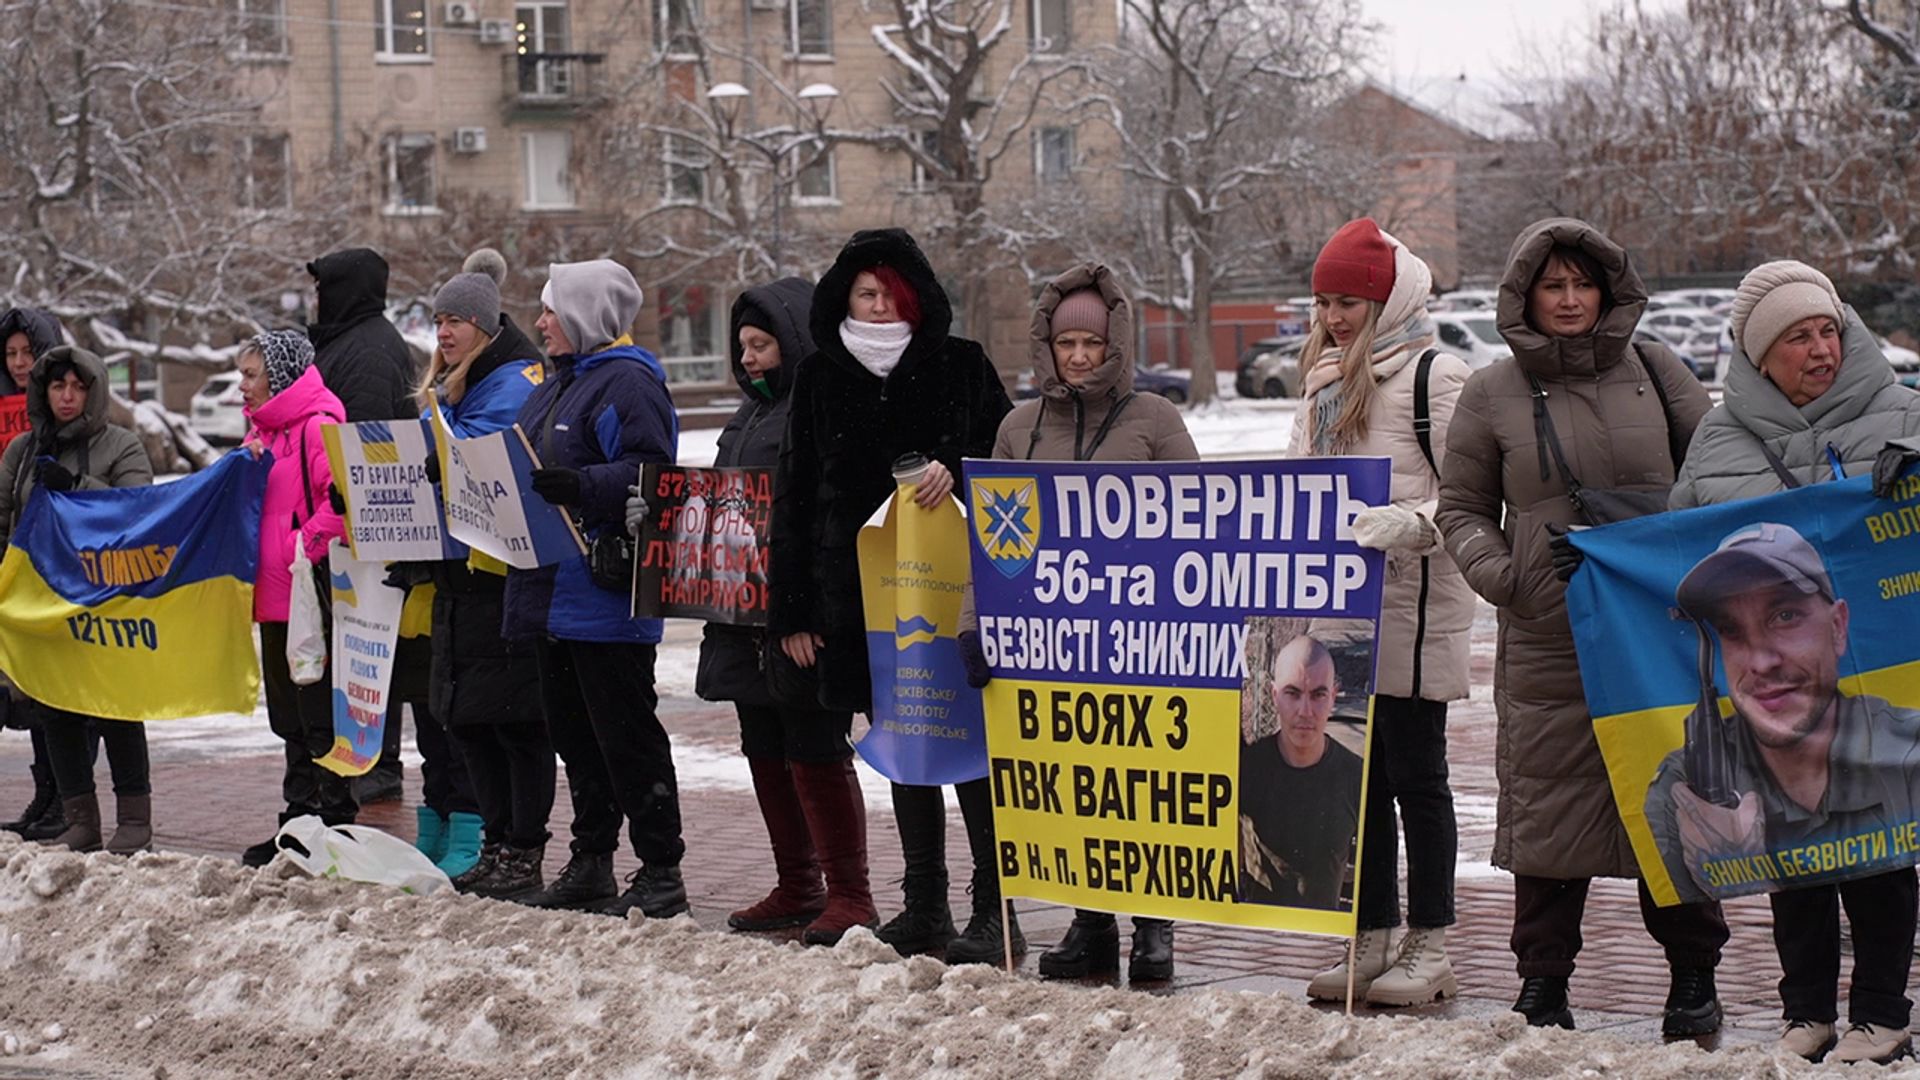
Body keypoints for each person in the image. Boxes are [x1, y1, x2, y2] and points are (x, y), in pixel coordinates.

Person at [1434, 218, 1728, 1035]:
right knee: (1548, 802)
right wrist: (1509, 578)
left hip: (1657, 626)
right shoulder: (1491, 390)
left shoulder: (1656, 368)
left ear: (1609, 289)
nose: (1569, 300)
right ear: (1525, 296)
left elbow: (1714, 479)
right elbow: (1460, 509)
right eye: (1552, 286)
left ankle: (1693, 976)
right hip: (1547, 631)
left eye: (1583, 284)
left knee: (1676, 795)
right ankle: (1543, 981)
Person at [1656, 260, 1920, 1064]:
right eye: (1799, 337)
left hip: (1880, 681)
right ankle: (1805, 1011)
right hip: (1776, 706)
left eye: (1829, 331)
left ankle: (1884, 1010)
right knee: (1794, 863)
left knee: (1884, 855)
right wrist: (1596, 564)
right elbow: (1674, 544)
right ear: (1759, 354)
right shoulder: (1718, 438)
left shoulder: (1904, 414)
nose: (1820, 349)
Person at [768, 228, 1011, 956]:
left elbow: (1010, 470)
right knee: (905, 750)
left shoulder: (961, 365)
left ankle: (994, 911)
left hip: (957, 598)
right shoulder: (818, 378)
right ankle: (924, 905)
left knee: (969, 756)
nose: (878, 307)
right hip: (864, 608)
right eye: (865, 294)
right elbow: (796, 497)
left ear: (916, 296)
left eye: (891, 293)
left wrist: (956, 470)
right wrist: (795, 610)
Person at [954, 263, 1196, 978]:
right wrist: (974, 624)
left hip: (1140, 639)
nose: (1080, 356)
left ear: (1115, 342)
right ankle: (1090, 924)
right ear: (1048, 348)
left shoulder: (1155, 420)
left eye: (1093, 342)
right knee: (1075, 788)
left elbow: (1201, 528)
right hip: (1045, 642)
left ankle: (1155, 927)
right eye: (1068, 344)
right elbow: (992, 547)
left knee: (1142, 789)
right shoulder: (1018, 428)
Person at [627, 277, 877, 945]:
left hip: (797, 619)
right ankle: (797, 882)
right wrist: (663, 516)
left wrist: (810, 614)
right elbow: (720, 504)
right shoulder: (750, 415)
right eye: (743, 347)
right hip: (741, 616)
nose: (750, 359)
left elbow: (829, 518)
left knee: (814, 747)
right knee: (764, 745)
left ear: (792, 342)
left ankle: (850, 893)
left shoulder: (821, 409)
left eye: (762, 345)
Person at [1284, 219, 1474, 1006]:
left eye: (1350, 301)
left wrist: (1414, 523)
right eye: (1325, 301)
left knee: (1419, 779)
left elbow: (1469, 493)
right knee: (1358, 785)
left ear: (1387, 298)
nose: (1334, 316)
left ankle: (1431, 944)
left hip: (1413, 605)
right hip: (1341, 616)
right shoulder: (1324, 380)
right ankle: (1369, 936)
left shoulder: (1438, 376)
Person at [505, 259, 686, 919]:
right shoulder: (555, 385)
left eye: (552, 309)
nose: (541, 322)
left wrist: (584, 487)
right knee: (575, 738)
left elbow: (651, 472)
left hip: (605, 595)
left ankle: (661, 868)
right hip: (551, 592)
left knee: (626, 738)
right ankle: (591, 859)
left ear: (585, 314)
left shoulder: (628, 384)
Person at [396, 249, 537, 889]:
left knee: (498, 717)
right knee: (460, 714)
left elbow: (476, 463)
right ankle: (485, 838)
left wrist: (437, 438)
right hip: (453, 572)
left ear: (485, 327)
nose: (444, 332)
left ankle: (508, 842)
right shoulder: (453, 385)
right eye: (438, 320)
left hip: (490, 573)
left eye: (456, 320)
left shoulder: (505, 385)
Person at [0, 345, 155, 852]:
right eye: (58, 386)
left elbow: (138, 515)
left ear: (93, 392)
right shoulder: (22, 452)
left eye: (78, 387)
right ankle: (79, 817)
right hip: (42, 604)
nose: (67, 396)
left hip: (105, 601)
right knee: (56, 709)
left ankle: (134, 817)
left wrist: (78, 487)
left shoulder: (122, 445)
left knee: (118, 707)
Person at [307, 246, 419, 805]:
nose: (315, 300)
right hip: (348, 521)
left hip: (365, 527)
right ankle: (365, 754)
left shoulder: (370, 350)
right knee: (359, 646)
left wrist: (350, 504)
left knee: (373, 646)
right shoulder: (350, 342)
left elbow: (373, 439)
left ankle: (378, 760)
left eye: (322, 289)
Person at [236, 331, 352, 866]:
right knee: (288, 717)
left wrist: (299, 546)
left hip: (310, 599)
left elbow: (345, 502)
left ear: (279, 377)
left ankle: (334, 822)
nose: (243, 386)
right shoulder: (262, 433)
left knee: (318, 716)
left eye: (251, 374)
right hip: (273, 600)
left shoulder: (318, 426)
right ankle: (298, 819)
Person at [0, 306, 76, 843]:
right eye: (11, 355)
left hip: (57, 571)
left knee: (56, 692)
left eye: (29, 352)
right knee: (21, 691)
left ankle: (63, 796)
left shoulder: (69, 408)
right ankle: (45, 794)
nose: (21, 363)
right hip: (11, 565)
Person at [1239, 635, 1363, 911]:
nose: (1305, 711)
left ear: (1333, 696)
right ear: (1274, 695)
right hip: (1253, 935)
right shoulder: (1247, 770)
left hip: (1324, 938)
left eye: (1318, 695)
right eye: (1292, 693)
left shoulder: (1355, 776)